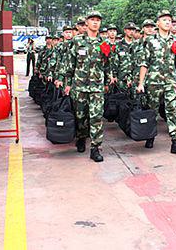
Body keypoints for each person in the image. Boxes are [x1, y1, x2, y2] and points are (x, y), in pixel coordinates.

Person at [56, 11, 109, 162]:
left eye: (98, 20)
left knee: (96, 116)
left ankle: (95, 148)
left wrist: (106, 83)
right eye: (92, 20)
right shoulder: (77, 41)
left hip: (96, 86)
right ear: (86, 23)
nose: (95, 23)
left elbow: (107, 65)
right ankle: (80, 136)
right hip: (79, 86)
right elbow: (69, 63)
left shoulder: (104, 43)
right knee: (80, 116)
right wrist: (66, 83)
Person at [137, 10, 176, 154]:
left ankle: (175, 140)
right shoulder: (150, 41)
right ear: (157, 23)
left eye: (169, 20)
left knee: (172, 109)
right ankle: (150, 135)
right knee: (153, 110)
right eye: (164, 20)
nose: (167, 22)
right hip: (154, 81)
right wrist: (141, 83)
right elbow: (144, 63)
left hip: (171, 81)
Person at [111, 22, 136, 91]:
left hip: (134, 79)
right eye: (129, 29)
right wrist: (114, 76)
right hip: (121, 78)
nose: (131, 31)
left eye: (133, 30)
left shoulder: (137, 45)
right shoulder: (118, 44)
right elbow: (113, 62)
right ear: (125, 30)